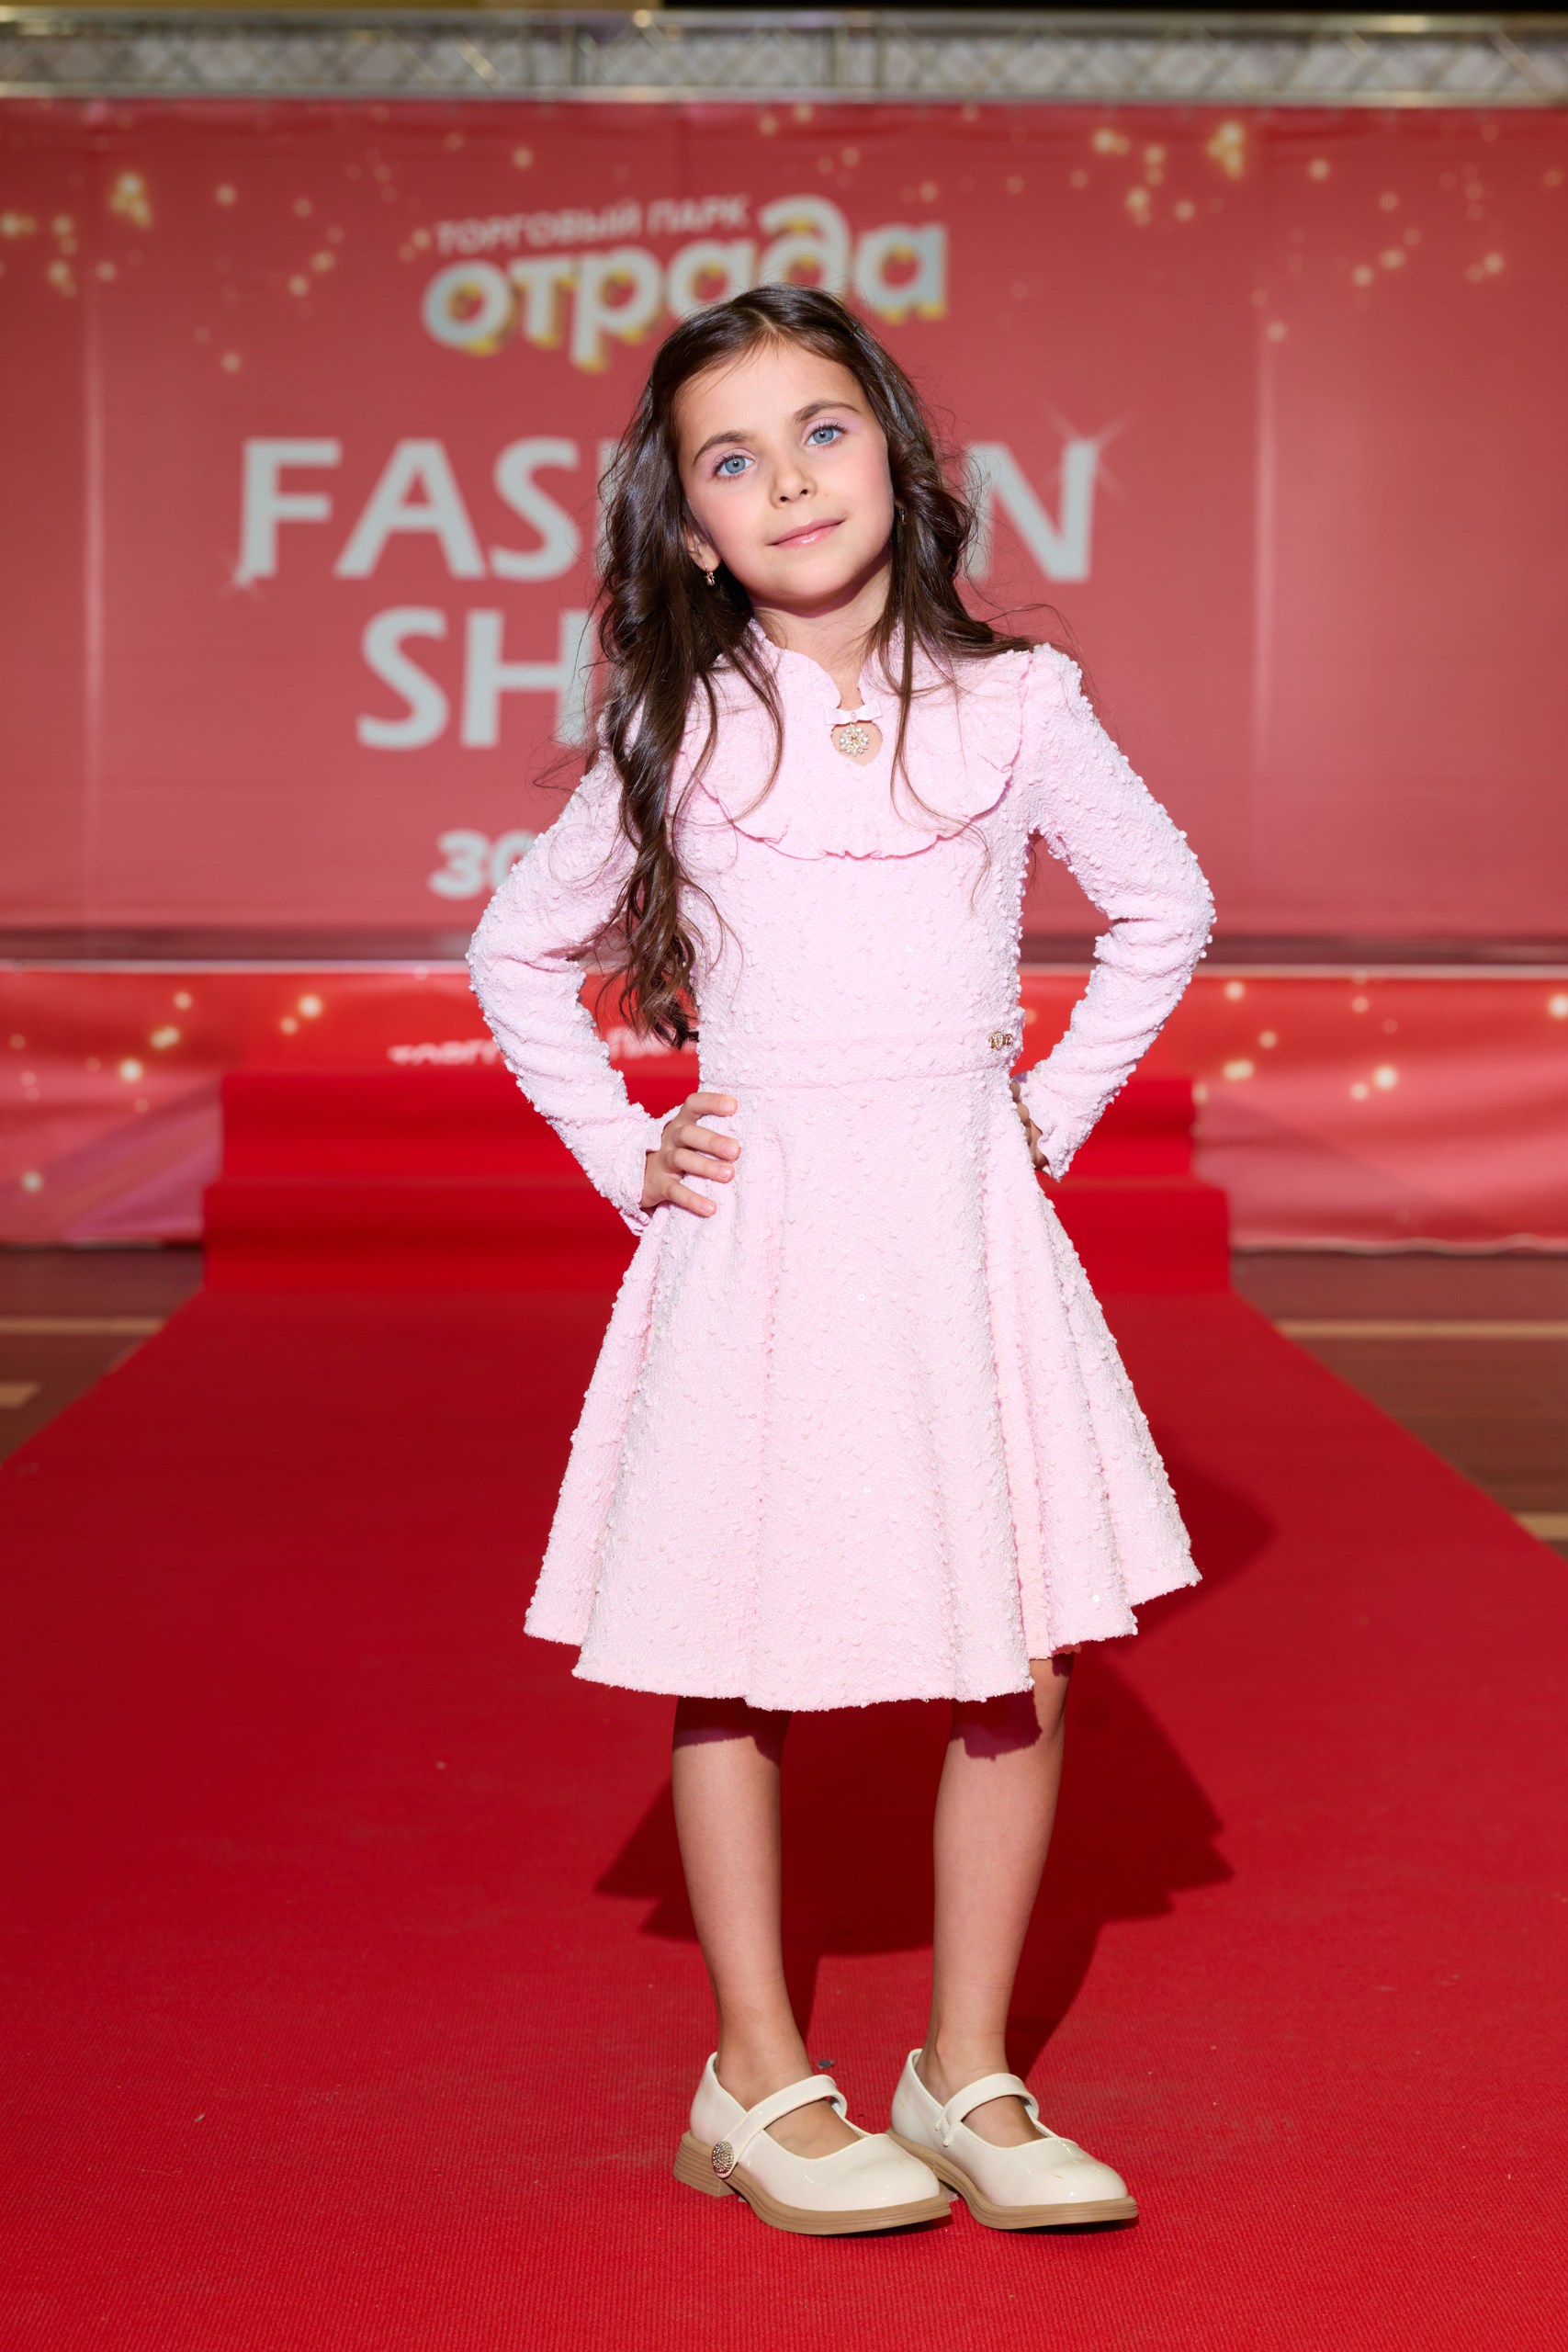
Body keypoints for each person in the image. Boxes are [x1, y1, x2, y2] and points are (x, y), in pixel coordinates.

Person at [468, 286, 1213, 2238]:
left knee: (1023, 1653)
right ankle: (751, 2069)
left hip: (961, 1232)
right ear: (694, 529)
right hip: (767, 1236)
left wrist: (1042, 1118)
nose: (789, 479)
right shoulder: (679, 721)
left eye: (821, 429)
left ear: (895, 452)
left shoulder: (1016, 705)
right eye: (732, 459)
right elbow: (513, 952)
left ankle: (965, 2067)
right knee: (733, 1657)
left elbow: (1164, 903)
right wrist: (629, 1156)